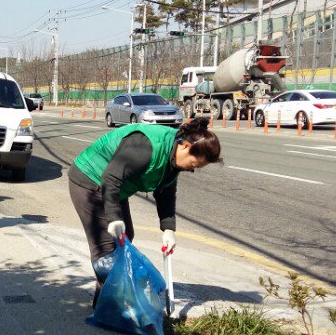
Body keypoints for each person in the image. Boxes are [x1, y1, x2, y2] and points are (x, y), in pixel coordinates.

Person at [69, 118, 222, 308]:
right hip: (90, 180)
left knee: (125, 238)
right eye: (194, 164)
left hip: (115, 187)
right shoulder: (146, 146)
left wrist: (168, 230)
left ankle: (109, 301)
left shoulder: (172, 157)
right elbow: (111, 178)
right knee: (106, 250)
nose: (192, 169)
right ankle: (108, 308)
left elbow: (165, 192)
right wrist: (114, 218)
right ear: (185, 146)